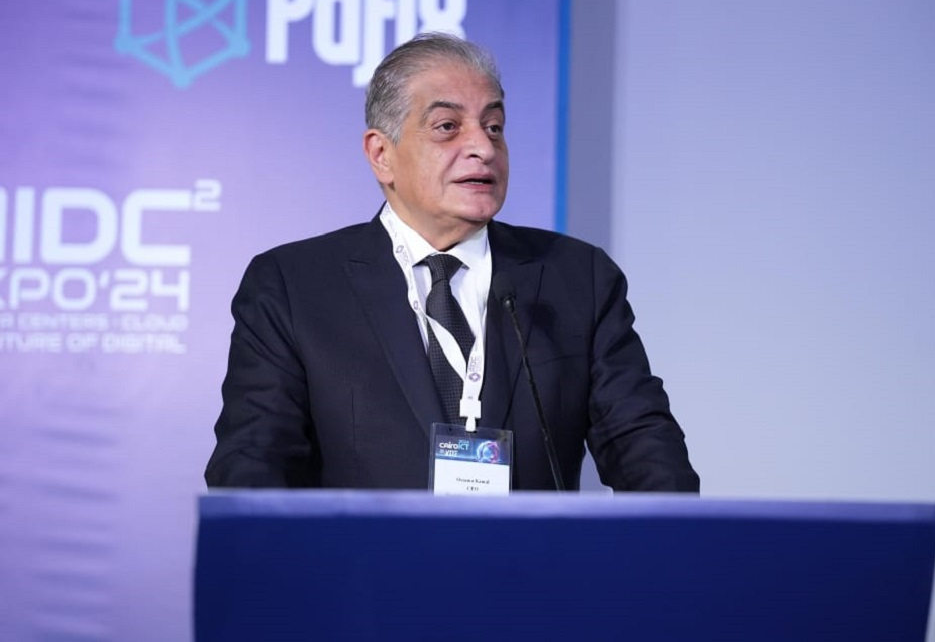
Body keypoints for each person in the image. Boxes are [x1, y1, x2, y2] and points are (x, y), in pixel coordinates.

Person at [205, 32, 699, 492]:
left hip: (530, 559)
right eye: (447, 127)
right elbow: (252, 467)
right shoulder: (295, 287)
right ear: (381, 154)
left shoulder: (577, 278)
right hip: (366, 560)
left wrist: (677, 543)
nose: (483, 148)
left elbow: (644, 446)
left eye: (494, 127)